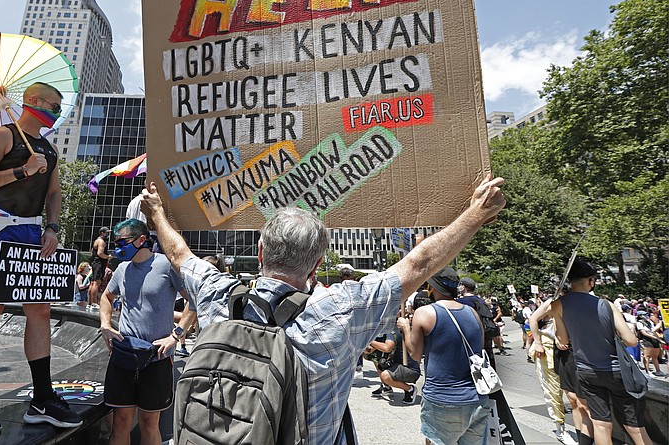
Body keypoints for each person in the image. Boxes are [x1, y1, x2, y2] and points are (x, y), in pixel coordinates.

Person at [139, 175, 505, 444]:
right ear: (316, 266)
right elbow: (419, 263)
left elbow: (179, 254)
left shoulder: (218, 293)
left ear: (262, 251)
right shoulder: (342, 309)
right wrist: (476, 213)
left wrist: (156, 213)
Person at [0, 82, 81, 435]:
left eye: (59, 108)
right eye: (53, 106)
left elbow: (53, 191)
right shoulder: (0, 136)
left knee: (40, 310)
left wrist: (53, 228)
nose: (56, 113)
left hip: (31, 231)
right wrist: (20, 170)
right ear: (33, 101)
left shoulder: (50, 149)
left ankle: (42, 397)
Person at [99, 219, 195, 445]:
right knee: (120, 421)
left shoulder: (165, 265)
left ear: (142, 240)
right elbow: (106, 297)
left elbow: (194, 300)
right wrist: (105, 325)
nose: (117, 247)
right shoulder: (122, 269)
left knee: (149, 424)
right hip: (124, 355)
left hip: (157, 358)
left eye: (122, 241)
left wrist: (176, 335)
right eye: (115, 242)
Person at [551, 259, 652, 445]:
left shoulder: (558, 305)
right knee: (634, 426)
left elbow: (563, 341)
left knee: (600, 423)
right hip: (615, 371)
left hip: (586, 371)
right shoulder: (606, 305)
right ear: (591, 281)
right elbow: (631, 341)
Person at [405, 267, 489, 445]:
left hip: (442, 399)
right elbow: (479, 349)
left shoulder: (425, 313)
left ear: (432, 287)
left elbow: (415, 354)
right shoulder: (472, 313)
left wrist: (405, 328)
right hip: (476, 398)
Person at [529, 296, 583, 445]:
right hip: (548, 347)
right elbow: (532, 319)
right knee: (553, 389)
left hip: (572, 348)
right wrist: (538, 343)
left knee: (575, 394)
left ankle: (584, 432)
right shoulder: (553, 300)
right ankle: (560, 429)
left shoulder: (580, 300)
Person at [458, 277, 499, 368]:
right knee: (487, 357)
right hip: (486, 334)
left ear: (463, 287)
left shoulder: (462, 302)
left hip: (471, 335)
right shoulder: (482, 301)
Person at [89, 227, 111, 307]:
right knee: (96, 282)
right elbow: (100, 253)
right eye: (107, 233)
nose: (108, 235)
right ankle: (94, 302)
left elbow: (92, 252)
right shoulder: (101, 242)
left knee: (93, 282)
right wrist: (108, 257)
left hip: (95, 263)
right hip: (99, 263)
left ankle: (90, 302)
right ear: (102, 233)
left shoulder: (96, 240)